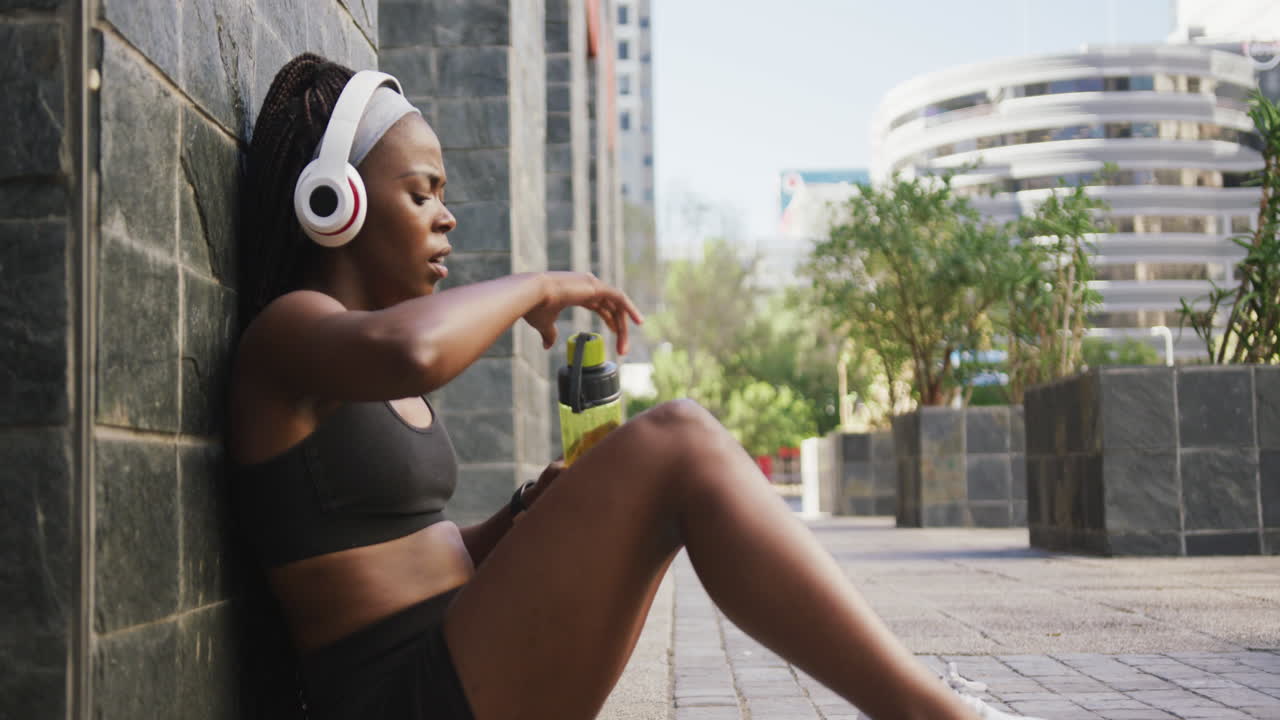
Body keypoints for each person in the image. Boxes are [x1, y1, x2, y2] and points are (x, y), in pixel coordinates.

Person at [228, 53, 1042, 720]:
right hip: (394, 695)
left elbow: (411, 551)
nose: (447, 218)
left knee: (669, 456)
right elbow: (417, 353)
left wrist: (517, 516)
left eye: (445, 194)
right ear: (335, 201)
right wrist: (538, 284)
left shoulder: (363, 359)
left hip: (454, 652)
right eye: (422, 193)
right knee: (677, 441)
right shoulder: (291, 333)